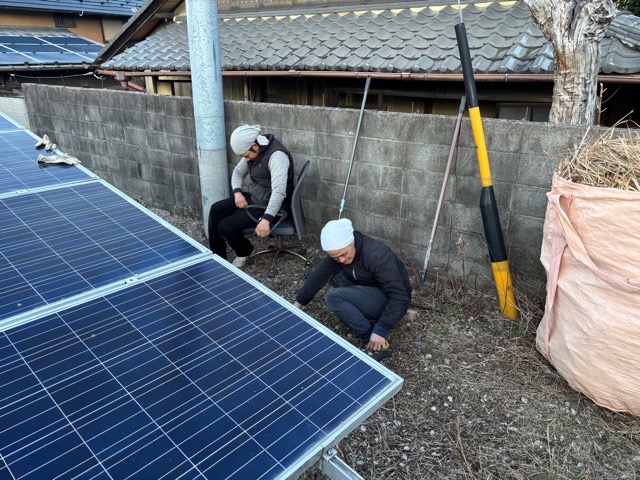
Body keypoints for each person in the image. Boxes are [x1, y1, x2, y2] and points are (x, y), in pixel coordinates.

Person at [294, 218, 412, 361]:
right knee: (330, 274)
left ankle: (372, 339)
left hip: (390, 298)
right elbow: (319, 275)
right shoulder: (342, 251)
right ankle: (367, 316)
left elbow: (399, 295)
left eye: (343, 254)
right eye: (336, 258)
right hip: (370, 287)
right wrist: (297, 305)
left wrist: (381, 329)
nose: (341, 260)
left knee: (333, 297)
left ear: (351, 241)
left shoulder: (377, 255)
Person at [208, 124, 294, 267]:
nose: (246, 159)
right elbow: (237, 172)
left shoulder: (277, 157)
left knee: (226, 226)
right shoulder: (254, 152)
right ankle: (217, 257)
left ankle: (244, 251)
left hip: (271, 205)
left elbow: (279, 192)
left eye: (246, 155)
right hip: (257, 197)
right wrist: (237, 193)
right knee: (216, 209)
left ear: (255, 145)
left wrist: (266, 220)